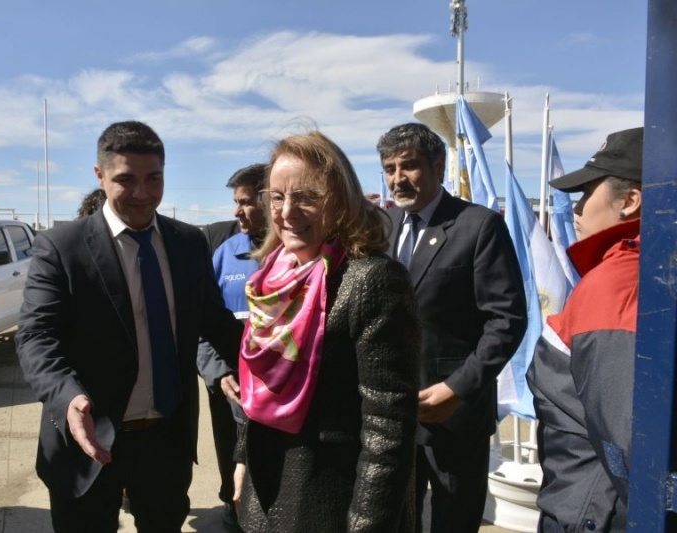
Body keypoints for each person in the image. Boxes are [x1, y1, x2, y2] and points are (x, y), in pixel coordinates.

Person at [15, 120, 243, 533]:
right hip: (88, 440)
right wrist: (67, 397)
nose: (142, 193)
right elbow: (36, 336)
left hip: (166, 442)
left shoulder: (189, 243)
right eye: (125, 179)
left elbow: (218, 325)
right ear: (99, 176)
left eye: (153, 179)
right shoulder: (61, 247)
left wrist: (277, 366)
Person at [231, 131, 420, 532]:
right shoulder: (272, 277)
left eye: (305, 196)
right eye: (277, 197)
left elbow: (388, 428)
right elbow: (261, 387)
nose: (287, 211)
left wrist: (368, 523)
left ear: (340, 198)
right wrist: (243, 458)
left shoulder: (373, 279)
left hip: (330, 502)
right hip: (264, 490)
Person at [377, 122, 527, 533]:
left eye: (408, 166)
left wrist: (458, 389)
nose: (397, 179)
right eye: (389, 168)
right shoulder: (384, 228)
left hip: (453, 417)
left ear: (438, 165)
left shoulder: (477, 226)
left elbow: (507, 321)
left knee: (451, 523)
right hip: (392, 415)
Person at [526, 127, 643, 533]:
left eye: (585, 194)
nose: (574, 210)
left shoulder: (617, 284)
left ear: (628, 201)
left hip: (594, 513)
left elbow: (624, 445)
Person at [196, 163, 268, 532]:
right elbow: (200, 325)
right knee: (230, 447)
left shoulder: (296, 250)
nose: (237, 211)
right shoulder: (223, 255)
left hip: (280, 387)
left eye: (245, 202)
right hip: (230, 384)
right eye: (235, 202)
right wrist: (217, 371)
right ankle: (233, 505)